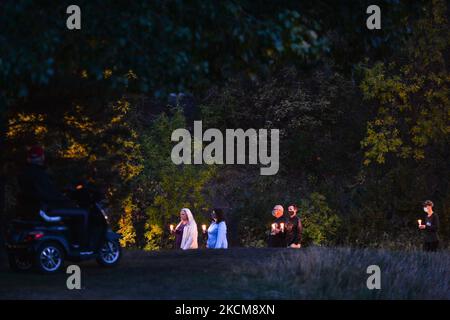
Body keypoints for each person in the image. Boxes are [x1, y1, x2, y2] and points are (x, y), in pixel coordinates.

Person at [17, 145, 88, 246]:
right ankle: (79, 243)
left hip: (35, 207)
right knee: (82, 213)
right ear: (42, 157)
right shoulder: (39, 174)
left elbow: (42, 191)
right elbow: (49, 194)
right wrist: (64, 197)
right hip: (48, 206)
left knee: (72, 212)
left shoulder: (24, 173)